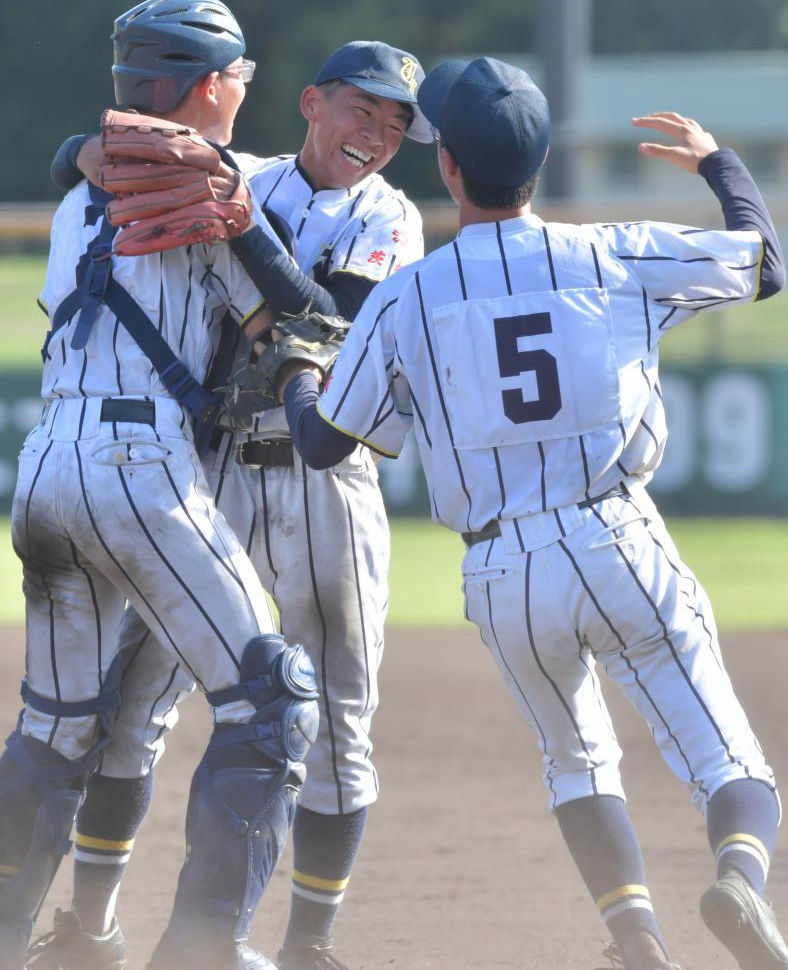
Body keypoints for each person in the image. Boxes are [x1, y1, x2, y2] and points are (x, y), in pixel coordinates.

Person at [275, 56, 788, 970]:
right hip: (616, 533)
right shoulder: (611, 252)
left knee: (577, 759)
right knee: (725, 756)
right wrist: (719, 164)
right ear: (540, 165)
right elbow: (766, 264)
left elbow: (323, 444)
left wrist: (296, 372)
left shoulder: (407, 294)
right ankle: (740, 876)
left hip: (503, 568)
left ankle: (636, 936)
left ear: (449, 167)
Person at [34, 38, 430, 970]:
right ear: (311, 103)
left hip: (327, 486)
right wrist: (83, 152)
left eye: (396, 124)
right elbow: (97, 159)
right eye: (363, 109)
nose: (377, 134)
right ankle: (90, 928)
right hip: (210, 471)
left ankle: (306, 947)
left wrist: (237, 217)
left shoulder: (391, 215)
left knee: (336, 721)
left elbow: (325, 316)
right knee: (138, 700)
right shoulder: (242, 168)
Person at [3, 0, 320, 970]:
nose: (244, 90)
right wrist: (254, 235)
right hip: (138, 468)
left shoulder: (78, 191)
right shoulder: (208, 183)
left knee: (56, 729)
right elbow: (299, 314)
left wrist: (79, 150)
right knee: (271, 701)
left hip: (45, 466)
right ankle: (204, 950)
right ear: (212, 84)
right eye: (240, 76)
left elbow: (85, 162)